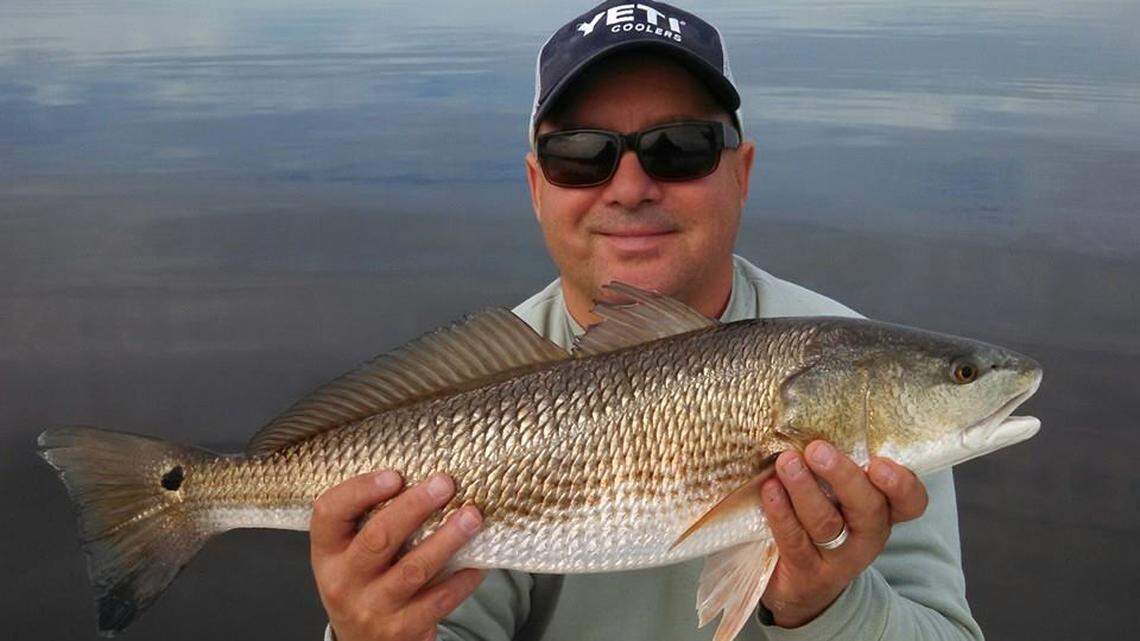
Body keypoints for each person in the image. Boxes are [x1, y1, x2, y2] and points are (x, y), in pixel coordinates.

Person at [309, 2, 984, 640]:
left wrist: (827, 605)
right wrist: (369, 631)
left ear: (742, 173)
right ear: (537, 187)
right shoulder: (478, 394)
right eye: (580, 155)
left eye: (680, 147)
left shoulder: (859, 367)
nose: (630, 188)